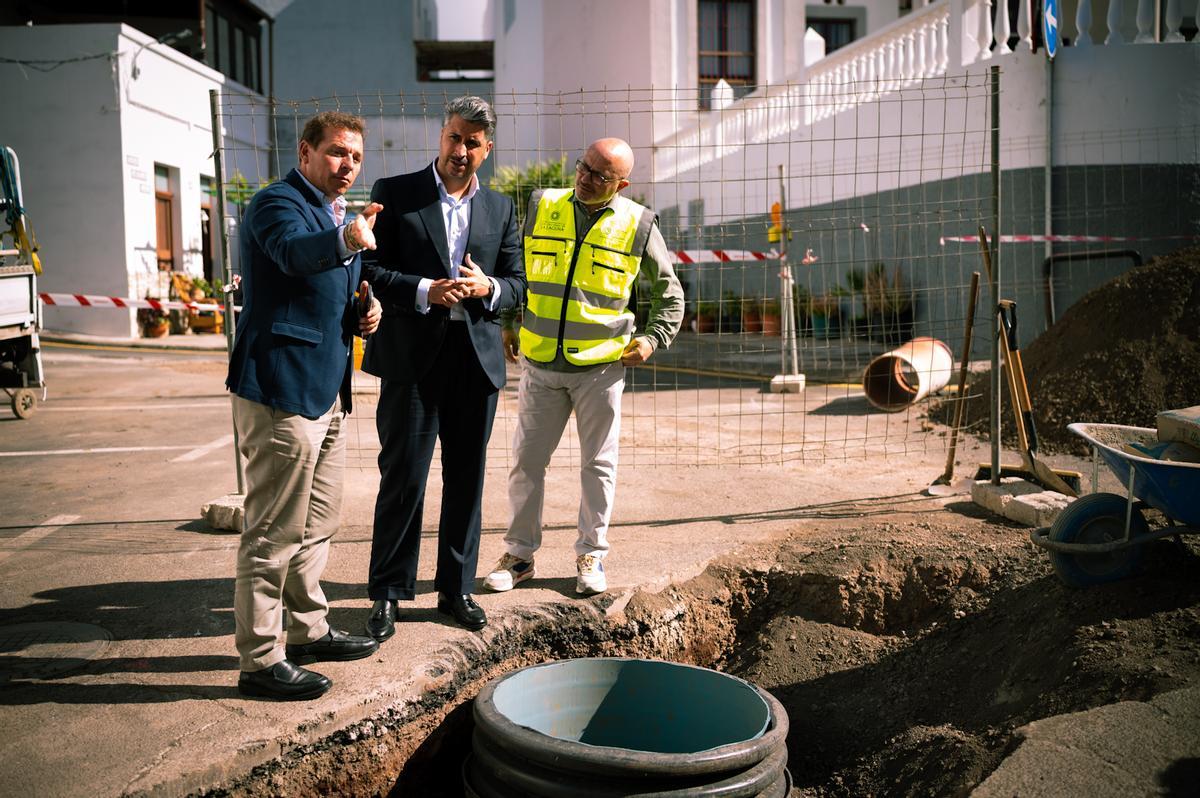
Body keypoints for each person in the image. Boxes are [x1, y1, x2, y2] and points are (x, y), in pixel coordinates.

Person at [226, 111, 384, 701]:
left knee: (317, 525)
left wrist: (367, 310)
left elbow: (336, 288)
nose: (348, 165)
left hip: (326, 391)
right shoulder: (276, 203)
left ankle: (309, 630)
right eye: (338, 152)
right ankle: (260, 660)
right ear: (306, 152)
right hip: (281, 389)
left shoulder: (337, 213)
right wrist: (347, 240)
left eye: (357, 157)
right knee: (273, 531)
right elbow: (293, 255)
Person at [483, 137, 684, 596]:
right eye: (583, 167)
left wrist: (652, 339)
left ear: (621, 184)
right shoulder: (544, 206)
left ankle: (591, 553)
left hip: (600, 368)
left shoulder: (638, 223)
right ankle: (518, 556)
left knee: (598, 466)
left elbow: (669, 291)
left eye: (600, 176)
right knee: (526, 464)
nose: (585, 179)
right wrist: (509, 321)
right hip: (540, 364)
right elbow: (518, 271)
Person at [360, 96, 526, 638]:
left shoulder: (500, 208)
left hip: (475, 362)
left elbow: (517, 283)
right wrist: (424, 290)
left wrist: (488, 287)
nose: (461, 150)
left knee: (466, 480)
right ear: (441, 136)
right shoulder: (396, 193)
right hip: (411, 358)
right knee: (403, 478)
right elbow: (370, 267)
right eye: (454, 138)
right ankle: (388, 593)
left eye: (472, 143)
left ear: (487, 150)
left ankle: (456, 589)